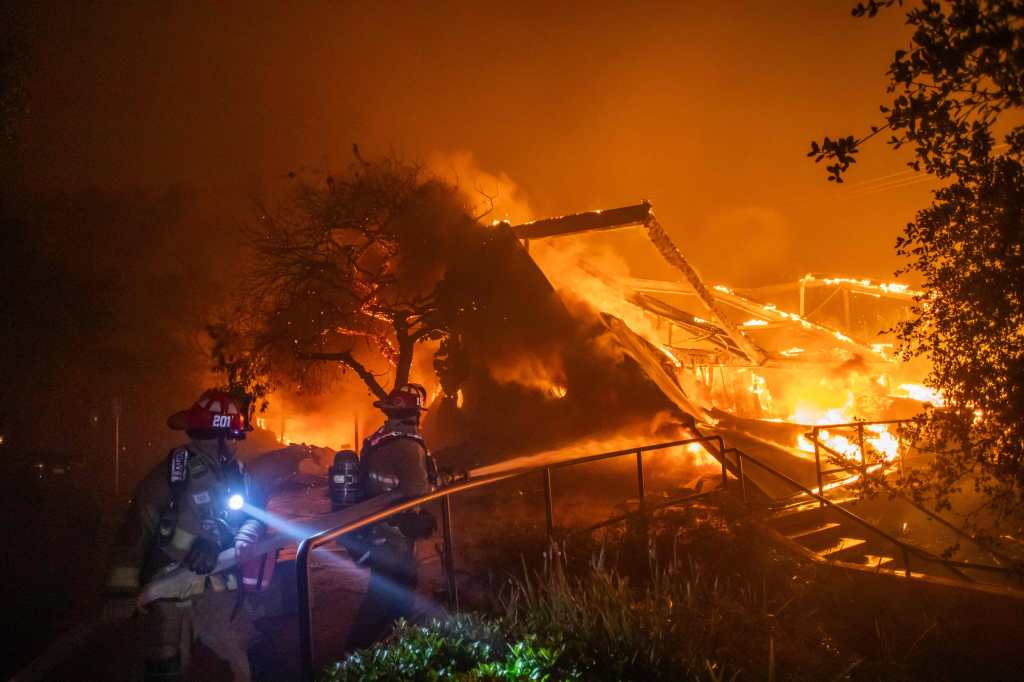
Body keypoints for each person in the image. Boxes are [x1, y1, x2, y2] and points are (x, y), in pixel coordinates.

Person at [104, 390, 267, 681]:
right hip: (167, 590)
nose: (235, 444)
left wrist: (246, 534)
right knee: (166, 667)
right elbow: (136, 530)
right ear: (217, 436)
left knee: (237, 661)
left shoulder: (238, 474)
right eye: (232, 436)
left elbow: (255, 517)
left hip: (218, 591)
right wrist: (121, 592)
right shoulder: (174, 473)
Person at [344, 383, 435, 651]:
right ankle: (357, 659)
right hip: (392, 536)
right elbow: (417, 491)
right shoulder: (408, 445)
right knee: (391, 595)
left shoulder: (381, 437)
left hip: (376, 530)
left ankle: (385, 653)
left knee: (390, 594)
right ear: (415, 412)